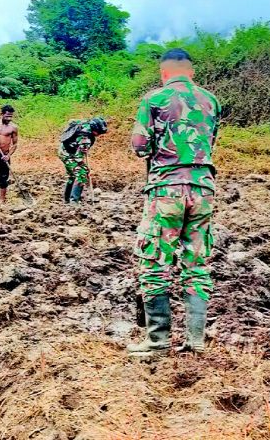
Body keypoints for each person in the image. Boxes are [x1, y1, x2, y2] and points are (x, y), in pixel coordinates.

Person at [127, 48, 221, 355]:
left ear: (163, 73)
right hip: (203, 190)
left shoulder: (154, 100)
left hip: (166, 189)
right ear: (191, 72)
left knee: (154, 260)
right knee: (197, 262)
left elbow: (140, 147)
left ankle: (157, 341)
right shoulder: (211, 101)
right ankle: (195, 341)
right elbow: (210, 144)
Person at [58, 117, 108, 203]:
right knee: (82, 174)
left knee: (73, 175)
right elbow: (78, 157)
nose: (98, 135)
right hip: (68, 154)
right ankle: (74, 202)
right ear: (95, 129)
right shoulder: (85, 139)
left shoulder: (84, 124)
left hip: (63, 150)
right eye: (98, 132)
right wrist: (84, 167)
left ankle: (67, 200)